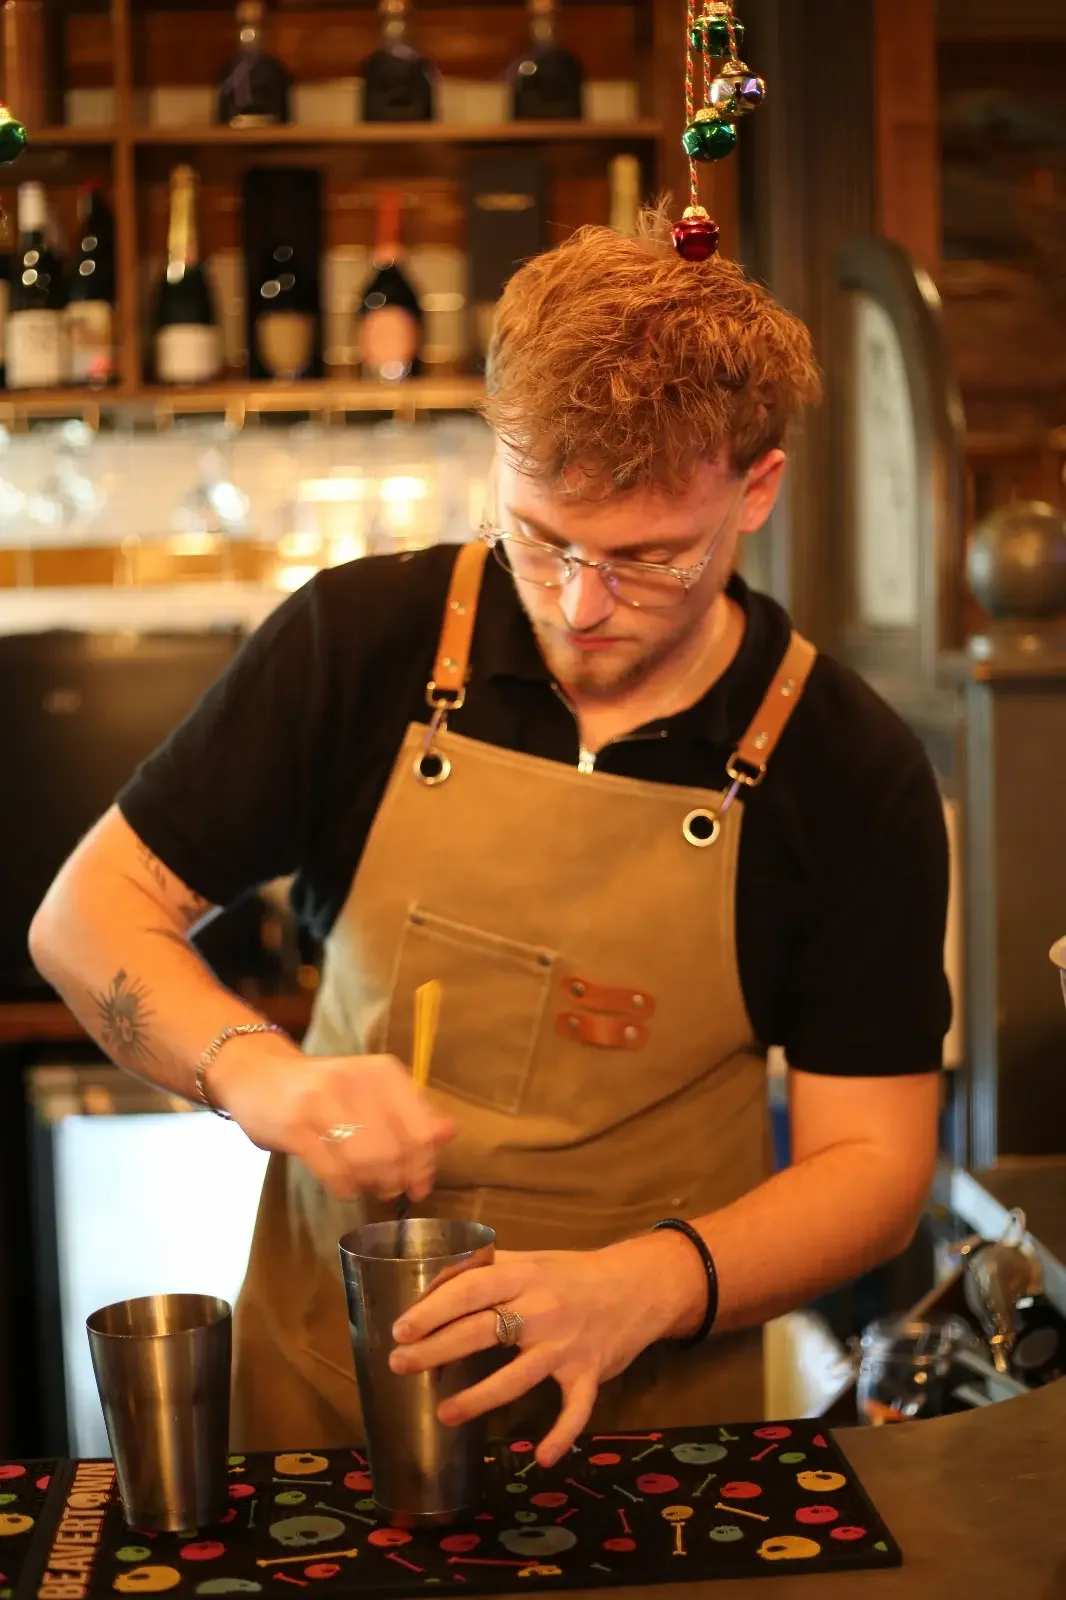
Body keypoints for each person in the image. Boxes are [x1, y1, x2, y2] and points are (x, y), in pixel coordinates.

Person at [31, 212, 950, 1463]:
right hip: (327, 1405)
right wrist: (264, 1074)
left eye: (650, 559)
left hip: (656, 1434)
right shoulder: (362, 643)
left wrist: (651, 1283)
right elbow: (85, 916)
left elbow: (876, 1164)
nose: (582, 606)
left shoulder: (847, 768)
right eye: (541, 536)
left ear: (757, 488)